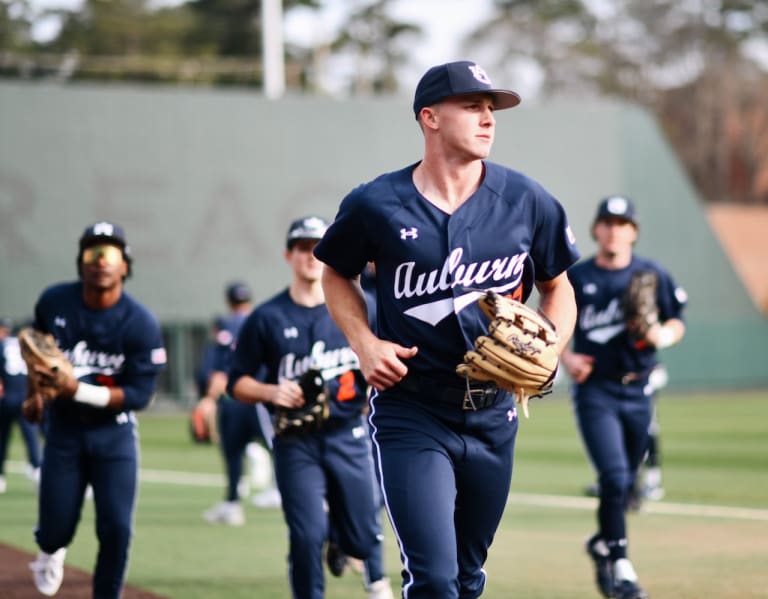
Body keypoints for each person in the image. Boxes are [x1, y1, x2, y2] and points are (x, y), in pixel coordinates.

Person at [313, 60, 580, 598]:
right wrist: (364, 344)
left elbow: (559, 286)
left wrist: (551, 345)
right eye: (473, 107)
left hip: (494, 413)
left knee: (466, 576)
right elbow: (335, 273)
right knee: (433, 578)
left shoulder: (527, 200)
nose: (488, 119)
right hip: (412, 408)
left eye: (492, 109)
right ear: (430, 117)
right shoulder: (376, 203)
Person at [228, 216, 393, 599]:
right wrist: (271, 392)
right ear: (289, 255)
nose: (310, 255)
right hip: (295, 440)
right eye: (302, 247)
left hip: (348, 433)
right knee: (305, 535)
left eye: (318, 246)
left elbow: (385, 357)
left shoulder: (362, 306)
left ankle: (343, 541)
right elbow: (238, 382)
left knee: (364, 536)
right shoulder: (266, 317)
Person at [22, 221, 167, 598]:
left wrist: (76, 390)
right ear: (81, 262)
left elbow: (138, 394)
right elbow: (38, 354)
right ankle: (50, 551)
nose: (100, 262)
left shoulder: (140, 322)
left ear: (125, 266)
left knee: (117, 528)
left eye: (110, 254)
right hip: (65, 431)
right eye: (92, 253)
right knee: (55, 529)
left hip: (113, 432)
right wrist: (35, 394)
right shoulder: (54, 302)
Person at [561, 196, 686, 599]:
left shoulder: (651, 274)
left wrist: (662, 336)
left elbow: (675, 319)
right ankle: (622, 565)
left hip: (640, 389)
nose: (614, 229)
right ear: (596, 229)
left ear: (633, 231)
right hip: (596, 389)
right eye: (607, 222)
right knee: (613, 478)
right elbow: (553, 322)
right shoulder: (578, 278)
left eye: (622, 223)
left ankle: (601, 543)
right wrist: (565, 356)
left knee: (626, 485)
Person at [202, 281, 281, 526]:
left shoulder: (226, 324)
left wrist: (208, 399)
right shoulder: (261, 319)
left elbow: (219, 369)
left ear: (229, 301)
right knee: (278, 446)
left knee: (233, 453)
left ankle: (233, 504)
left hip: (233, 398)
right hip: (259, 397)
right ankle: (280, 491)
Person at [0, 317, 42, 494]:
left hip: (6, 399)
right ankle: (37, 471)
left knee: (2, 438)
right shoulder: (29, 345)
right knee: (31, 437)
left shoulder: (4, 345)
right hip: (25, 398)